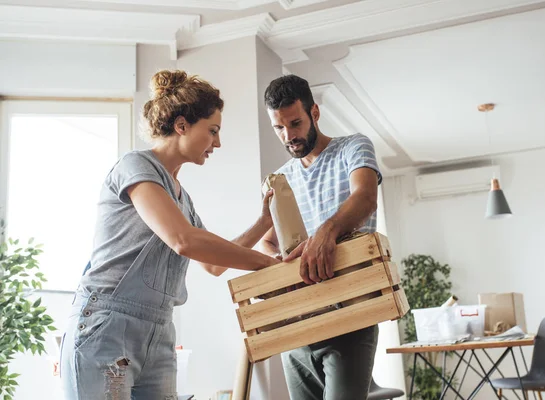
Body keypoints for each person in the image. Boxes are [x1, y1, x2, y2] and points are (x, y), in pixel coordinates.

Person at [60, 70, 279, 400]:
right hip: (107, 325)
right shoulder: (135, 166)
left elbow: (213, 264)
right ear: (181, 126)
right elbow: (183, 240)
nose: (217, 143)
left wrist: (264, 222)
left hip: (159, 332)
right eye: (213, 131)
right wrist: (269, 265)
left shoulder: (182, 199)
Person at [258, 74, 382, 400]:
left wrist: (327, 231)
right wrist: (280, 268)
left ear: (314, 112)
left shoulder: (353, 147)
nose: (289, 135)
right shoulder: (282, 178)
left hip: (352, 313)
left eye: (295, 123)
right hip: (300, 322)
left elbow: (366, 197)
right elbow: (269, 241)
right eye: (279, 128)